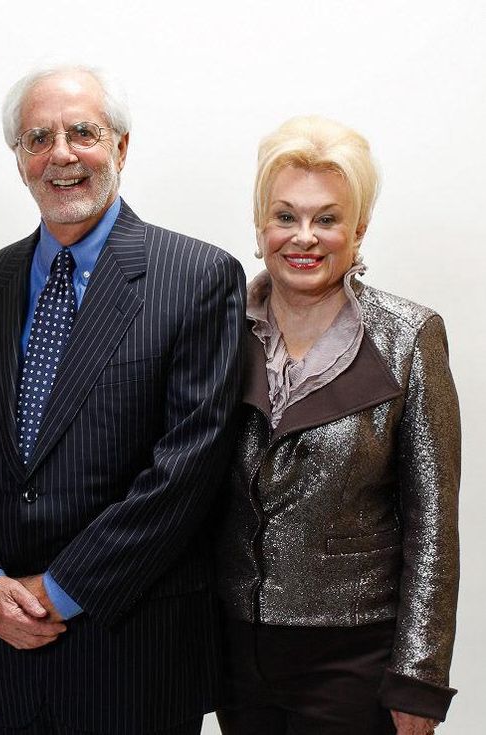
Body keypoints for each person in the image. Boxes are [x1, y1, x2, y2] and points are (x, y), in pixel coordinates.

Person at [0, 64, 246, 735]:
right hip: (9, 656)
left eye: (83, 132)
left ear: (121, 147)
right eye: (37, 138)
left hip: (135, 653)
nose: (61, 154)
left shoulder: (197, 277)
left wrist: (62, 588)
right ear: (18, 161)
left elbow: (186, 470)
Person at [215, 116, 460, 735]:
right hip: (232, 654)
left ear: (359, 230)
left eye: (327, 219)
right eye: (285, 216)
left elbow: (432, 522)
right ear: (260, 225)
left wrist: (419, 681)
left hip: (355, 660)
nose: (304, 237)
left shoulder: (409, 336)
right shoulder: (216, 329)